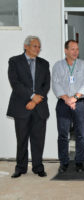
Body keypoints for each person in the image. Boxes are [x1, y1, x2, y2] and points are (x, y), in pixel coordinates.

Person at [7, 35, 50, 178]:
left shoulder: (44, 63)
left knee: (38, 139)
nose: (38, 49)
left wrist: (36, 101)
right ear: (26, 46)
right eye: (34, 46)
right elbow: (15, 83)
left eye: (39, 46)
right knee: (22, 139)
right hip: (21, 107)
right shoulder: (14, 61)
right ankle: (20, 168)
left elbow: (46, 85)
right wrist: (31, 96)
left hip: (39, 108)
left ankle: (38, 167)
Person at [52, 40, 84, 173]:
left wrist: (74, 98)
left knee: (80, 134)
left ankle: (79, 162)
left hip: (79, 103)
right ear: (66, 50)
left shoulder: (83, 65)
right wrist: (67, 99)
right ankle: (64, 162)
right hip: (63, 103)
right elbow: (56, 84)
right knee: (63, 134)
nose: (75, 52)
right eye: (72, 49)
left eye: (77, 49)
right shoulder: (58, 65)